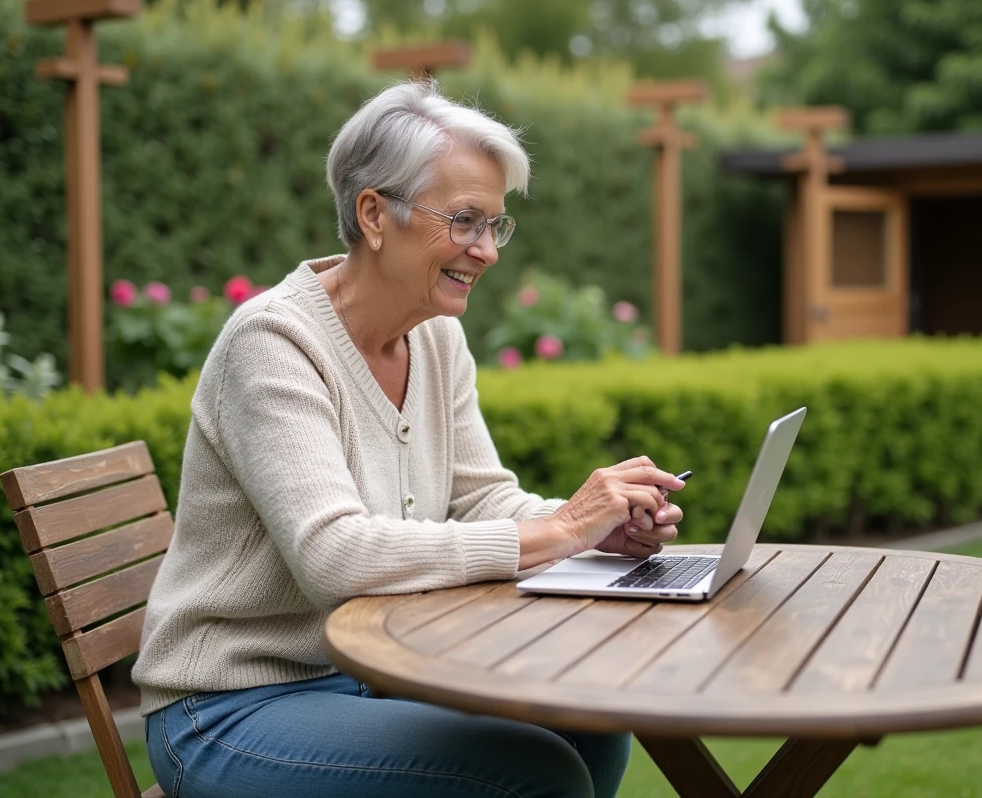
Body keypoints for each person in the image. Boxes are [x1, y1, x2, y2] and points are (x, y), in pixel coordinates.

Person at [132, 79, 687, 798]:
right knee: (539, 776)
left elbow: (481, 498)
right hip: (228, 706)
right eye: (464, 221)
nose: (486, 251)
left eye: (494, 225)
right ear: (374, 214)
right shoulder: (273, 343)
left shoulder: (437, 337)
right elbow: (333, 556)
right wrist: (559, 532)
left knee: (588, 726)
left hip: (370, 672)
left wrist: (591, 531)